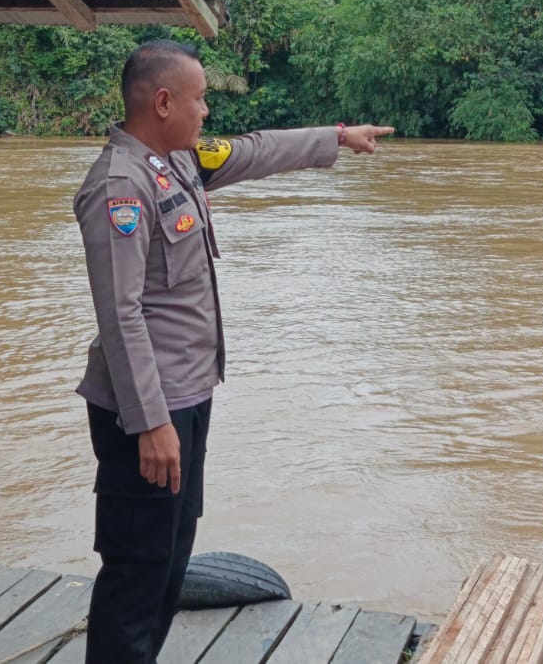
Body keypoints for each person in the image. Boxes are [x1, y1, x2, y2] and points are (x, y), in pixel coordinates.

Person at [73, 39, 392, 662]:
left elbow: (255, 150)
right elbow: (120, 315)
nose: (207, 112)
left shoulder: (180, 161)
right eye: (199, 99)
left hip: (188, 397)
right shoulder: (120, 188)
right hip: (146, 413)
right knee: (137, 571)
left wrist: (337, 136)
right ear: (163, 102)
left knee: (170, 561)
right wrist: (151, 423)